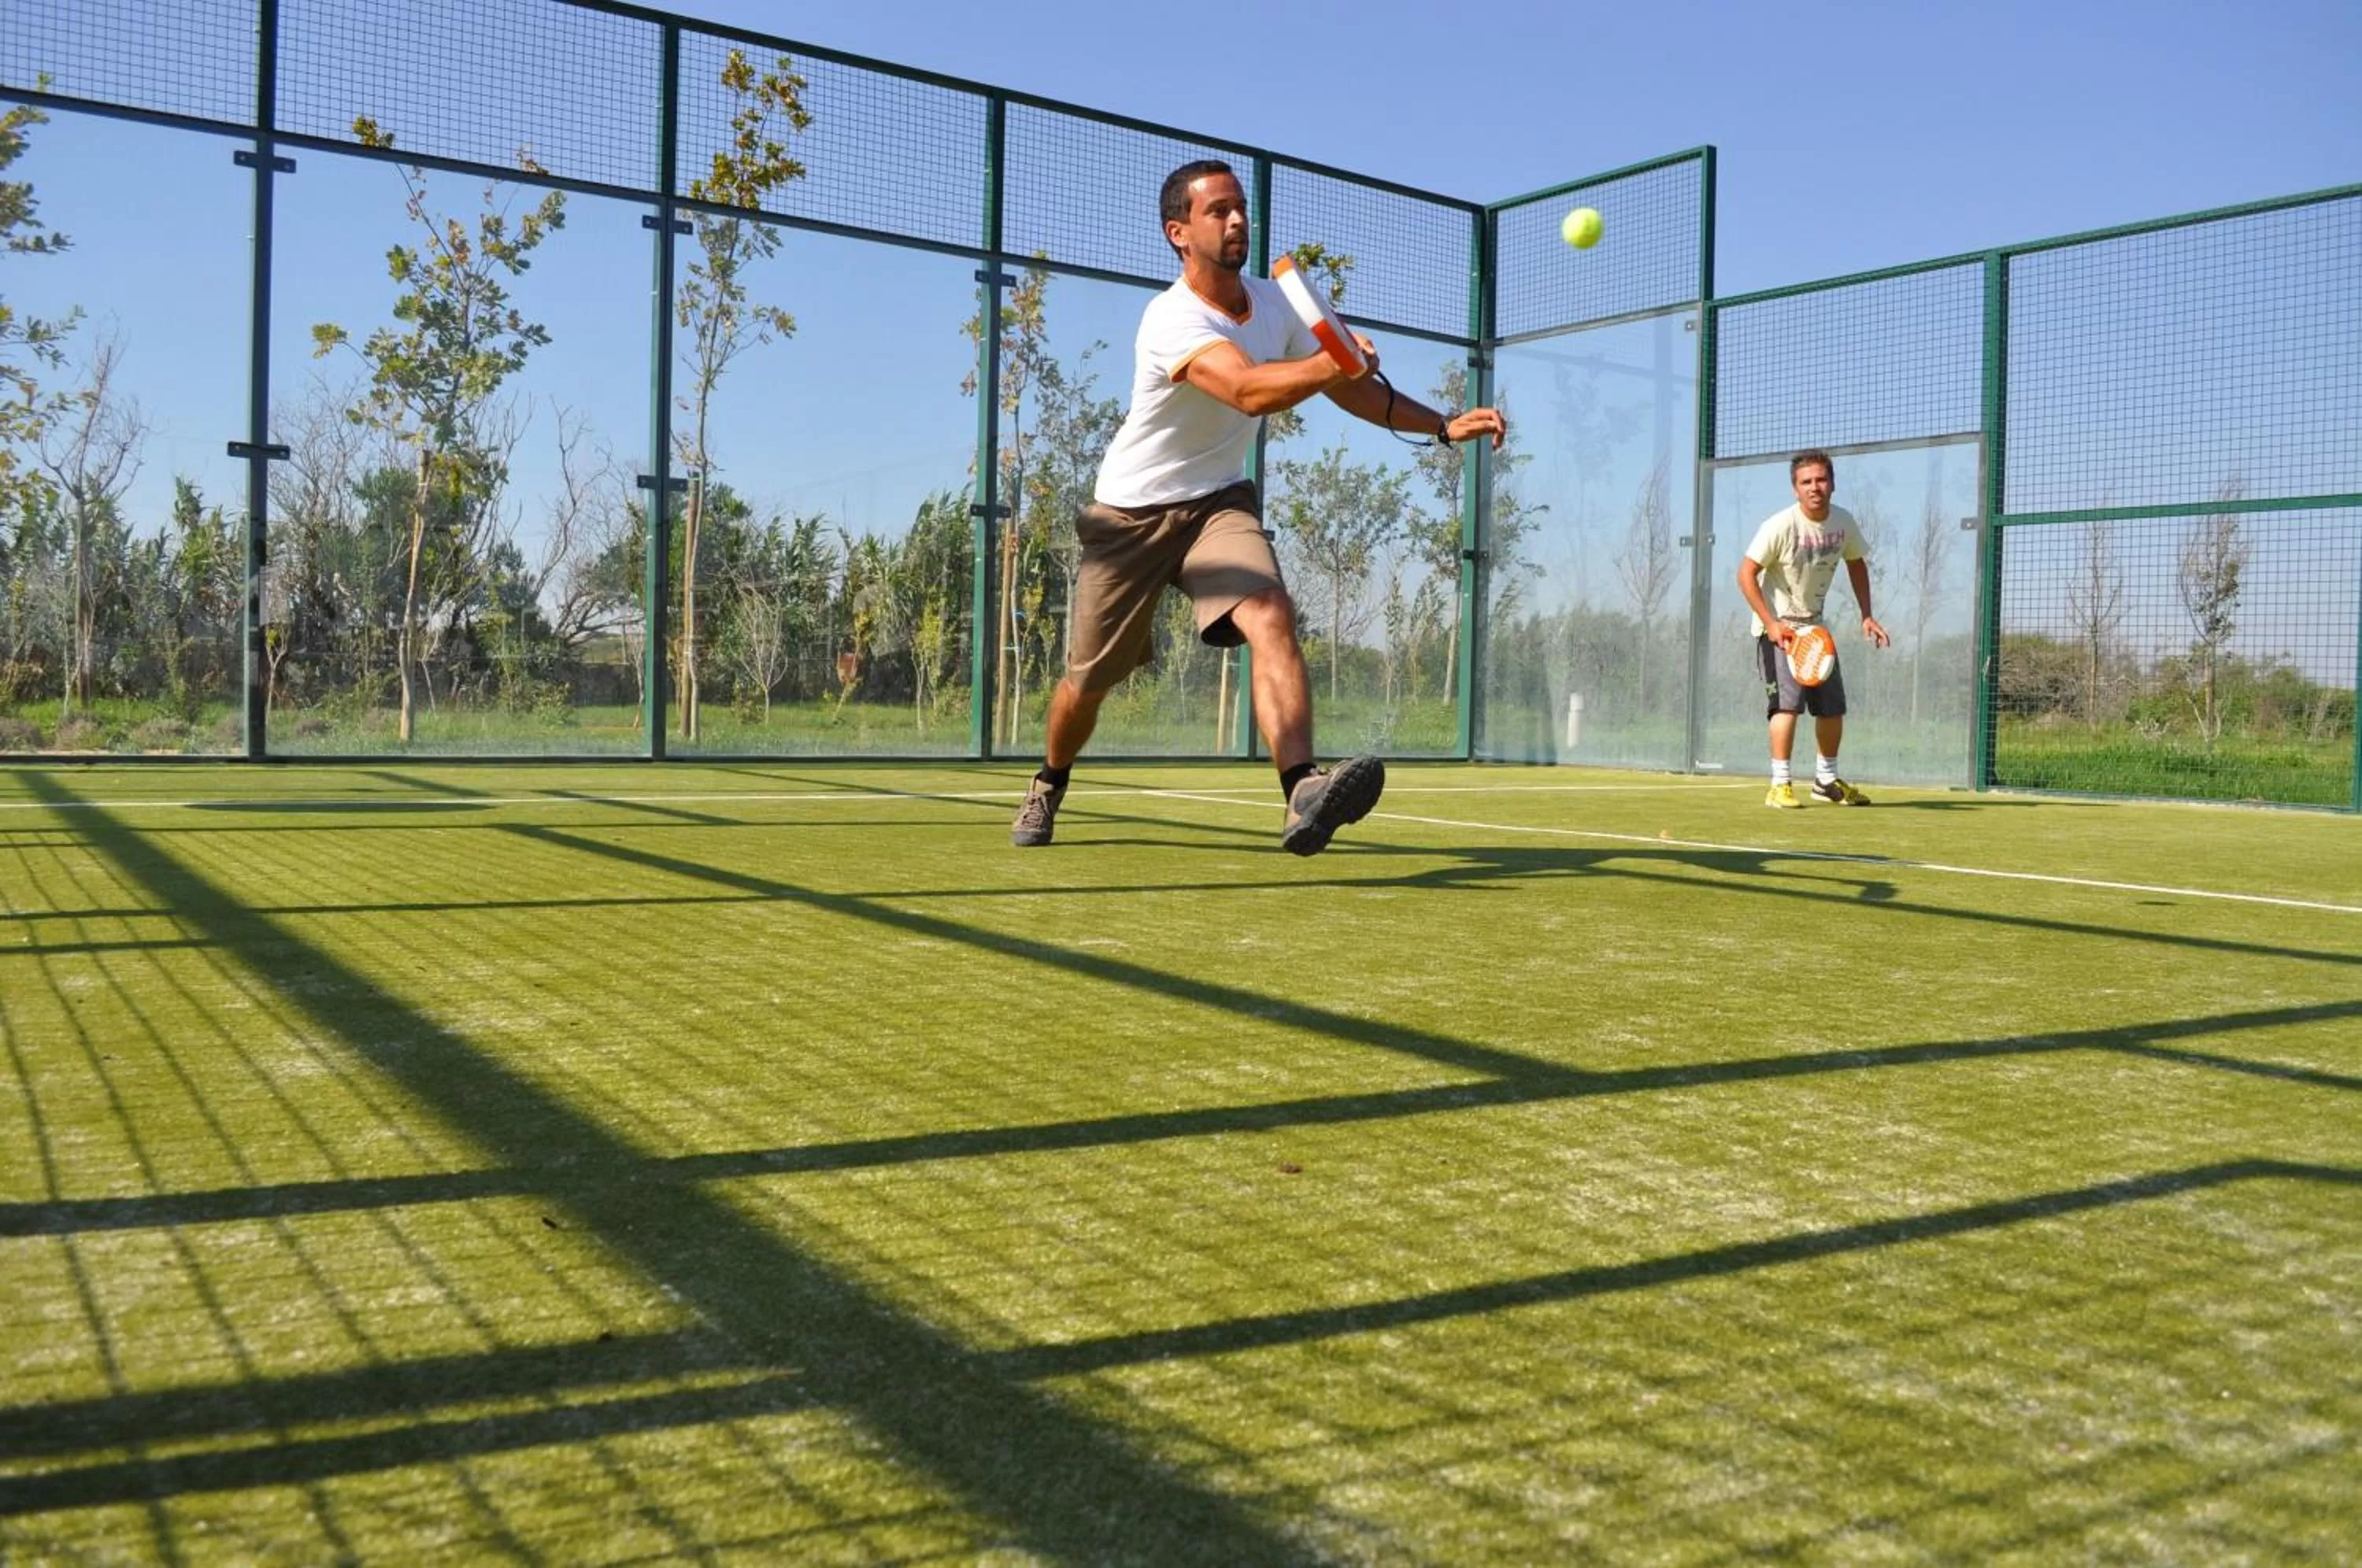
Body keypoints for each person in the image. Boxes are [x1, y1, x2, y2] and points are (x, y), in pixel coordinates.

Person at [1011, 160, 1506, 853]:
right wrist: (1334, 360)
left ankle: (1302, 790)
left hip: (1218, 503)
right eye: (1219, 211)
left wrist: (1443, 426)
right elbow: (1246, 390)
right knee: (1087, 683)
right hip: (1132, 515)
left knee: (1271, 612)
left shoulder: (1277, 303)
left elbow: (1353, 390)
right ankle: (1048, 783)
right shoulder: (1169, 318)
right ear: (1179, 233)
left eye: (1240, 207)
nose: (1238, 218)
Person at [1735, 450, 1890, 808]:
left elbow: (1856, 563)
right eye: (1806, 482)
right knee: (1786, 708)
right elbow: (1745, 574)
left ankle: (1826, 781)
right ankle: (1780, 784)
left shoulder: (1844, 522)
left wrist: (1867, 614)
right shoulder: (1779, 526)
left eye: (1821, 480)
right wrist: (1771, 624)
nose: (1815, 487)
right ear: (1795, 489)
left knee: (1832, 708)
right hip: (1779, 631)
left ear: (1832, 484)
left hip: (1816, 630)